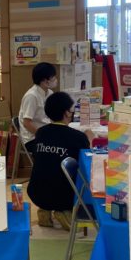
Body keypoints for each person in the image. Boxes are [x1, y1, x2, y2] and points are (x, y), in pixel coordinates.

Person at [26, 92, 93, 230]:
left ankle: (45, 210)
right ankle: (63, 212)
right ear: (67, 113)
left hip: (36, 192)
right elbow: (87, 161)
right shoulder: (78, 137)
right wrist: (90, 140)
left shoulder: (41, 133)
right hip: (63, 197)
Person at [18, 62, 57, 143]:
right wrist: (42, 136)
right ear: (45, 81)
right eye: (53, 78)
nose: (55, 80)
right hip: (33, 138)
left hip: (46, 132)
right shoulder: (32, 96)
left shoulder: (50, 93)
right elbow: (27, 123)